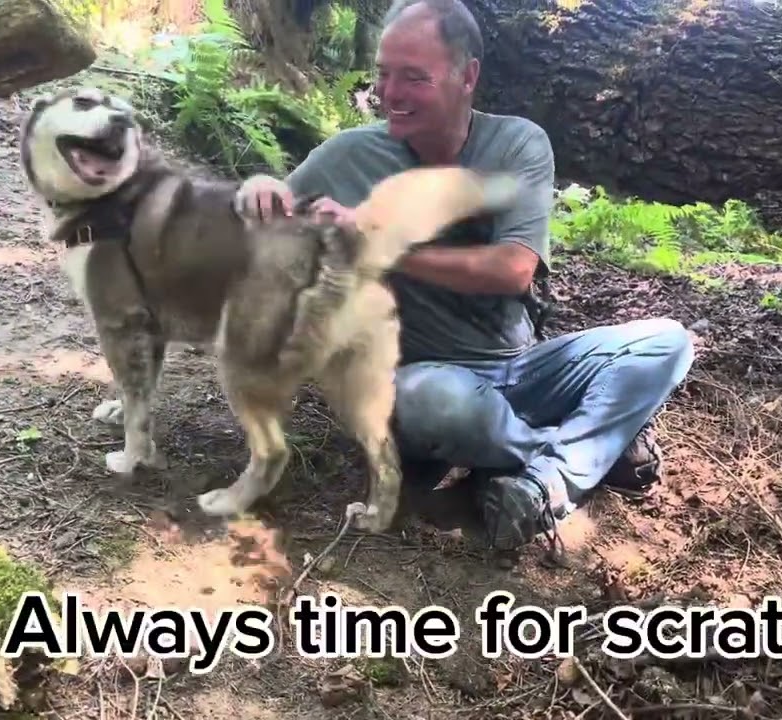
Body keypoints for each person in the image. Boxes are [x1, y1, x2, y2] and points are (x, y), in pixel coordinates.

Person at [234, 0, 696, 555]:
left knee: (666, 342)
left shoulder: (516, 145)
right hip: (421, 382)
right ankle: (575, 460)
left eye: (414, 77)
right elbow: (266, 225)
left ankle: (538, 481)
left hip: (519, 370)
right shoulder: (348, 156)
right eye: (383, 73)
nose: (390, 93)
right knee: (435, 401)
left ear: (467, 76)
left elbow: (513, 270)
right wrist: (258, 189)